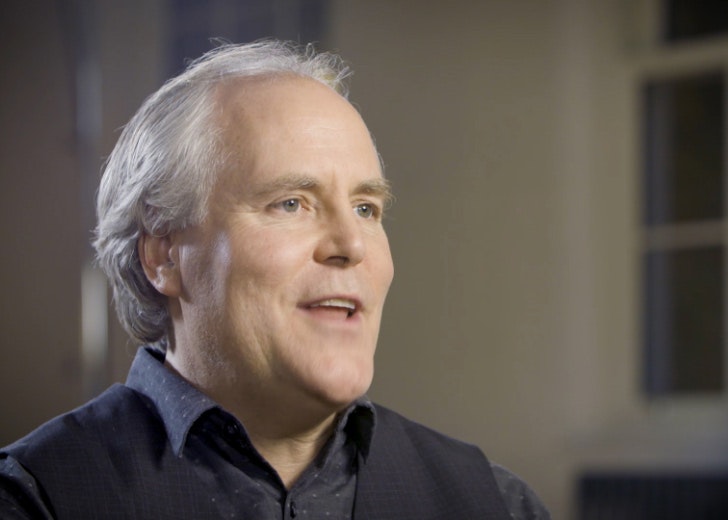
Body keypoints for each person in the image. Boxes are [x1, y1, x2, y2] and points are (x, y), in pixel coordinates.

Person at [0, 40, 550, 519]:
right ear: (164, 256)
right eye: (292, 203)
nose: (352, 245)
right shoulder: (36, 498)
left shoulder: (498, 504)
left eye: (366, 208)